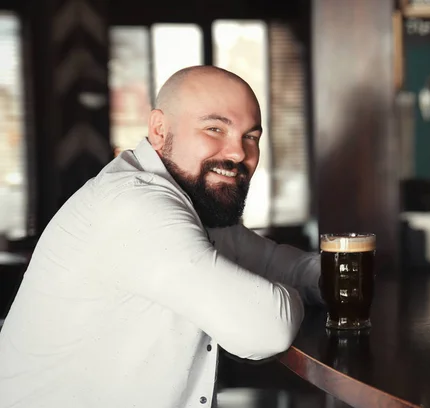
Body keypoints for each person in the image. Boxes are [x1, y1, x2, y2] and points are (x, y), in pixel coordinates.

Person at [0, 66, 322, 408]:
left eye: (251, 137)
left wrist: (340, 276)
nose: (239, 153)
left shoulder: (194, 204)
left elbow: (281, 264)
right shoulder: (134, 205)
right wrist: (290, 295)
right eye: (215, 129)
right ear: (158, 129)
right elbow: (266, 329)